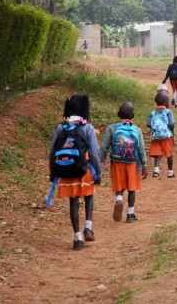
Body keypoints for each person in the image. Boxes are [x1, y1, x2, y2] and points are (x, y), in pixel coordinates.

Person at [48, 95, 102, 250]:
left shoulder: (60, 127)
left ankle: (77, 238)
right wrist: (98, 173)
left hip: (66, 168)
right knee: (89, 196)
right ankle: (88, 227)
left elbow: (52, 151)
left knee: (73, 202)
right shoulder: (88, 128)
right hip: (84, 169)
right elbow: (94, 153)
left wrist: (53, 171)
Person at [99, 102, 148, 223]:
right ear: (133, 115)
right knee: (132, 188)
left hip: (116, 162)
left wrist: (99, 161)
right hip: (133, 163)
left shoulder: (112, 128)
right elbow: (141, 149)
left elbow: (105, 147)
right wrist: (145, 165)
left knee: (119, 185)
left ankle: (119, 200)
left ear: (118, 114)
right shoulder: (137, 129)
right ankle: (130, 214)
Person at [146, 92, 176, 178]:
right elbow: (171, 123)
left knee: (158, 153)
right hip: (167, 136)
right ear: (164, 103)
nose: (168, 103)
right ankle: (170, 172)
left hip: (156, 136)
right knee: (169, 154)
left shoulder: (152, 113)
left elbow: (148, 124)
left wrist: (156, 128)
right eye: (167, 101)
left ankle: (156, 170)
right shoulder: (168, 112)